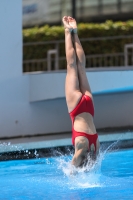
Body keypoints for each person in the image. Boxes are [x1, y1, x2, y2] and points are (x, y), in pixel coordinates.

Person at [62, 16, 100, 168]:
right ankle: (67, 31)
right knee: (72, 66)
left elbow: (94, 170)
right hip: (77, 108)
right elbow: (72, 169)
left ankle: (75, 32)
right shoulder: (81, 147)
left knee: (81, 67)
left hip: (89, 107)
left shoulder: (95, 148)